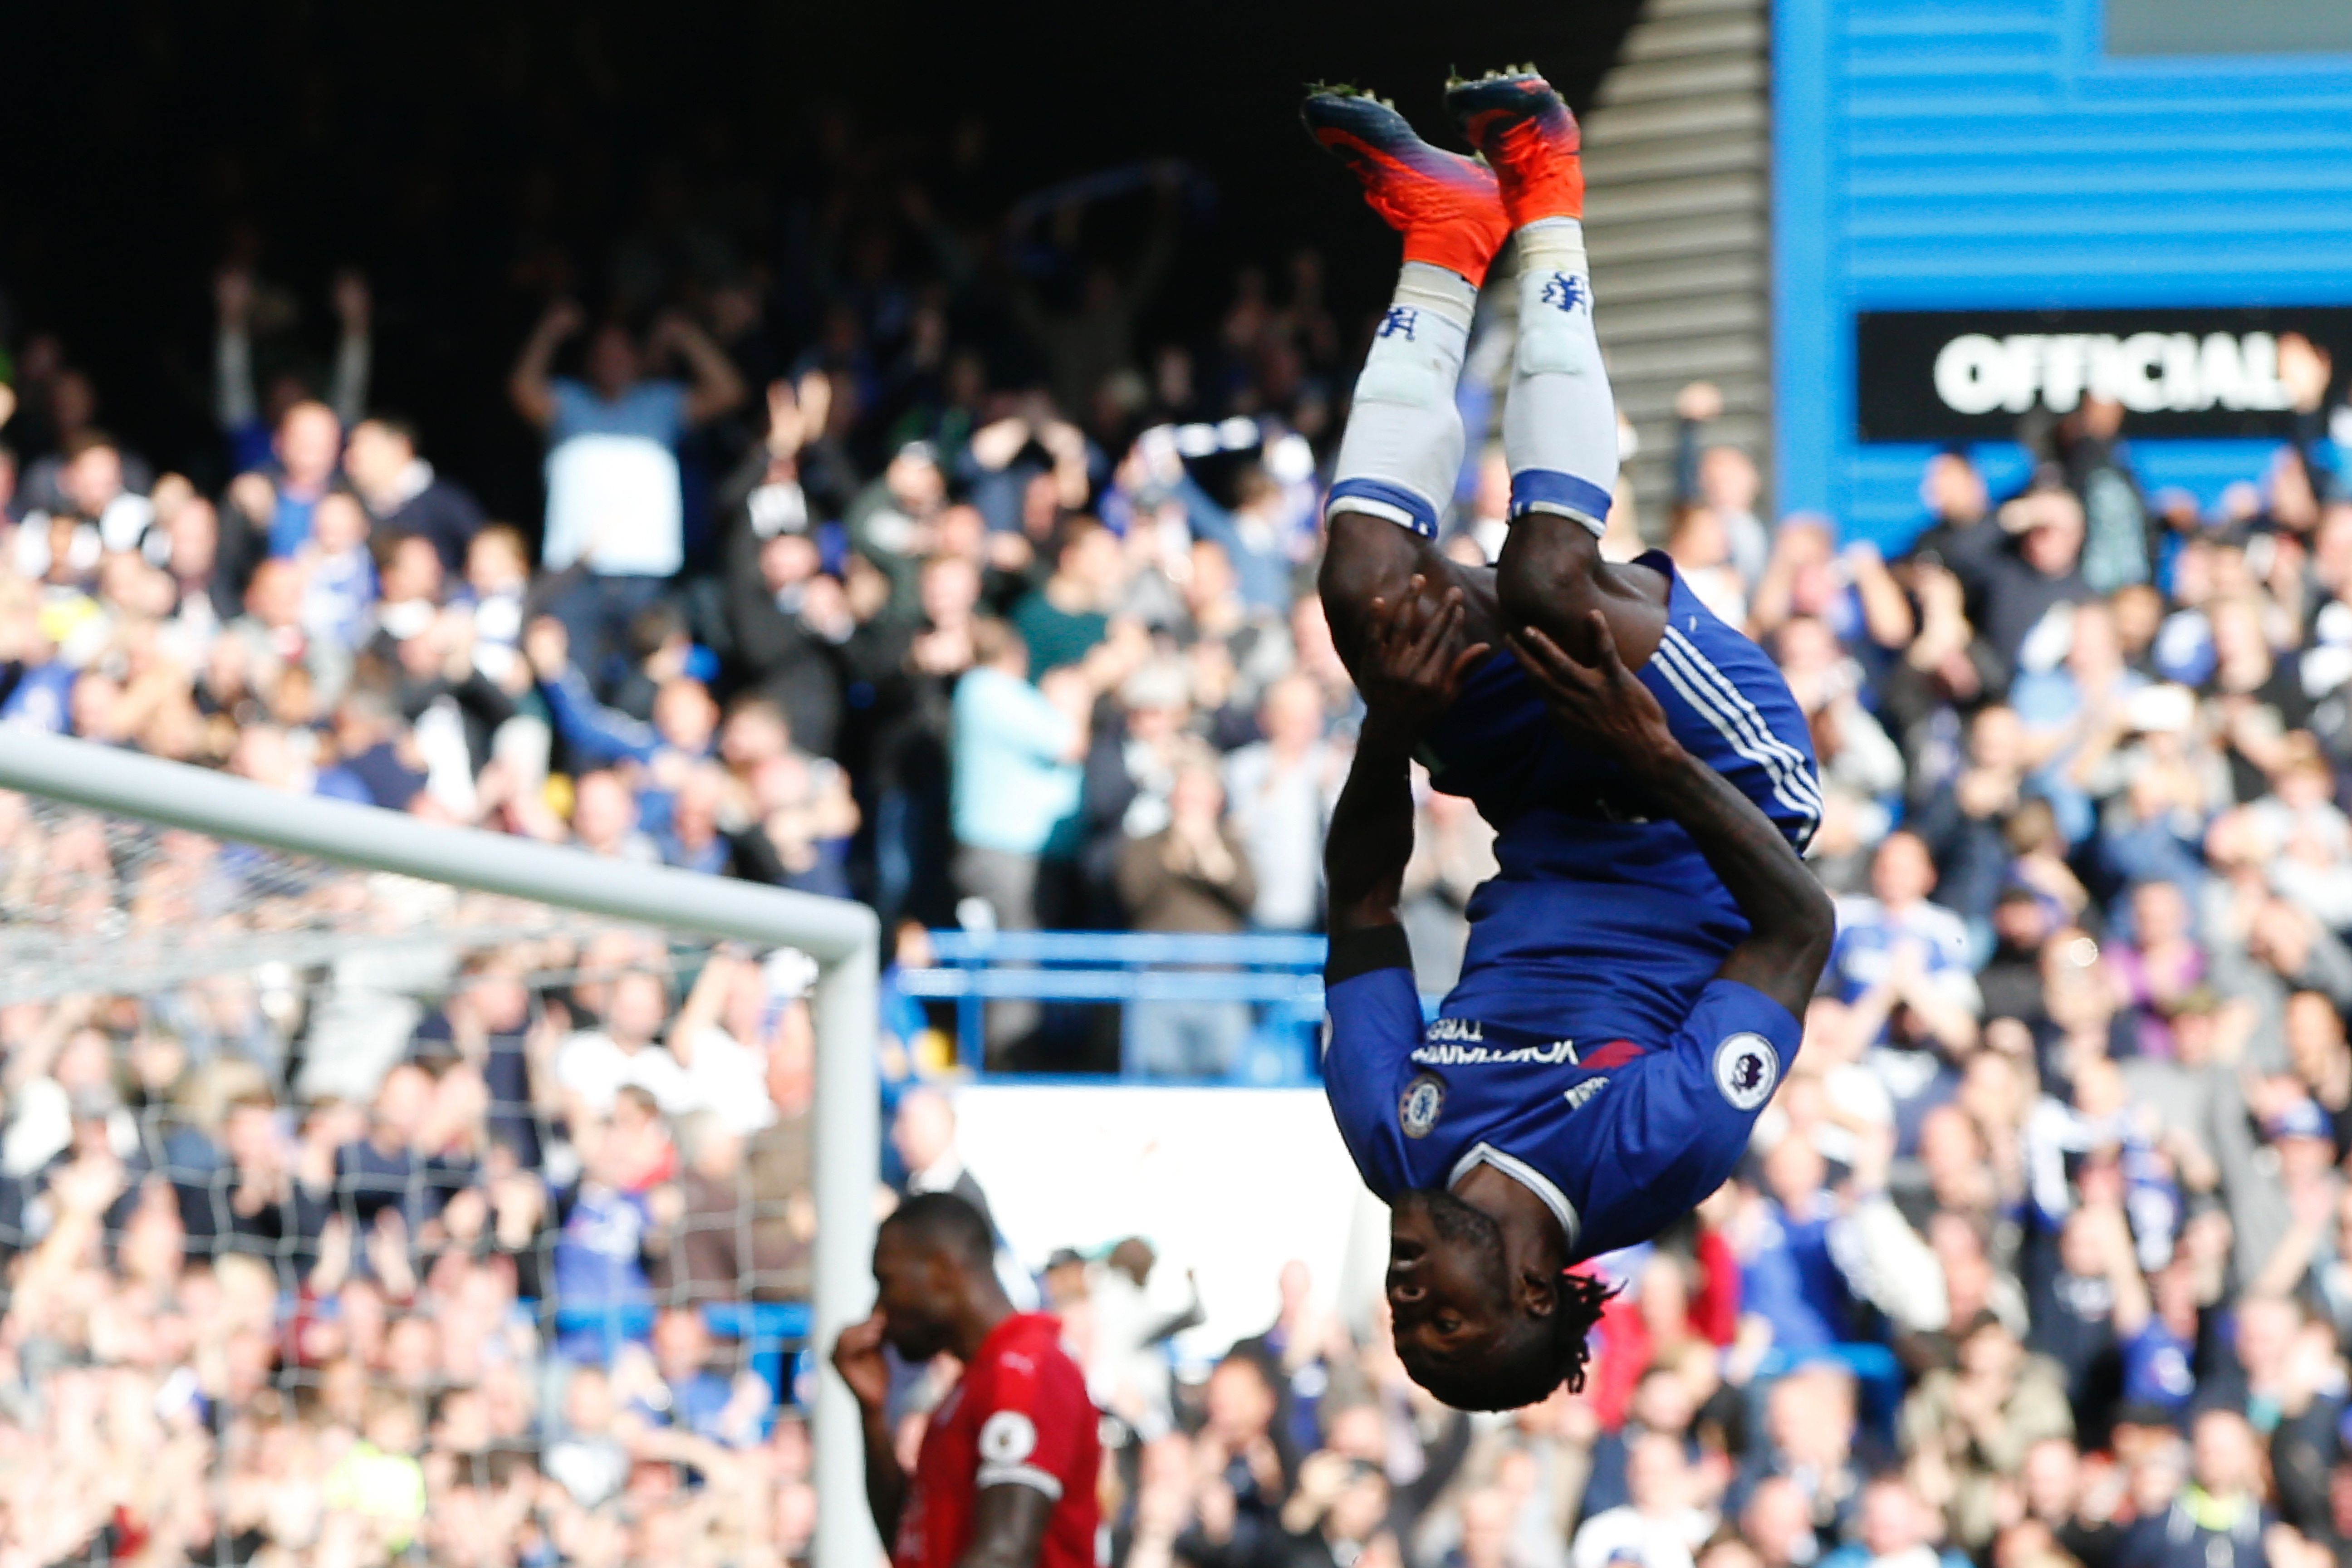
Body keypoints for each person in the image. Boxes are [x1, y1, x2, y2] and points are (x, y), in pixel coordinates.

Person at [1303, 68, 1833, 1411]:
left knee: (1369, 592)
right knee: (1550, 586)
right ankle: (1545, 197)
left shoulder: (1393, 1138)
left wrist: (1393, 719)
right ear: (1539, 1295)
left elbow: (1363, 904)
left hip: (1540, 796)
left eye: (1404, 1333)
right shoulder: (1653, 1159)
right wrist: (1654, 753)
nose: (1412, 1313)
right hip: (1710, 788)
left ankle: (1441, 240)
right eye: (1453, 1334)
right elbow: (1797, 930)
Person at [831, 1192, 1102, 1568]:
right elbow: (911, 1544)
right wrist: (873, 1414)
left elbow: (1005, 1552)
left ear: (942, 1272)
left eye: (887, 1282)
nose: (879, 1310)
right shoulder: (973, 1384)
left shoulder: (1027, 1371)